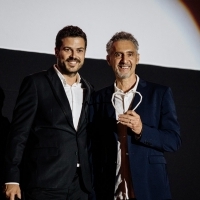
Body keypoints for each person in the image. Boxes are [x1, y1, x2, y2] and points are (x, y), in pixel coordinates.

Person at [4, 25, 94, 200]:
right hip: (45, 181)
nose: (74, 56)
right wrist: (11, 178)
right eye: (68, 49)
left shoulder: (89, 88)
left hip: (80, 186)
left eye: (79, 50)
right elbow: (18, 134)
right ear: (56, 51)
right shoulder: (36, 83)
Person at [91, 31, 181, 200]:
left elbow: (173, 141)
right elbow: (93, 148)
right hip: (111, 191)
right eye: (118, 55)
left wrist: (142, 130)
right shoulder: (98, 99)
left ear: (137, 58)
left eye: (130, 54)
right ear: (109, 59)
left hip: (150, 190)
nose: (125, 60)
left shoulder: (159, 94)